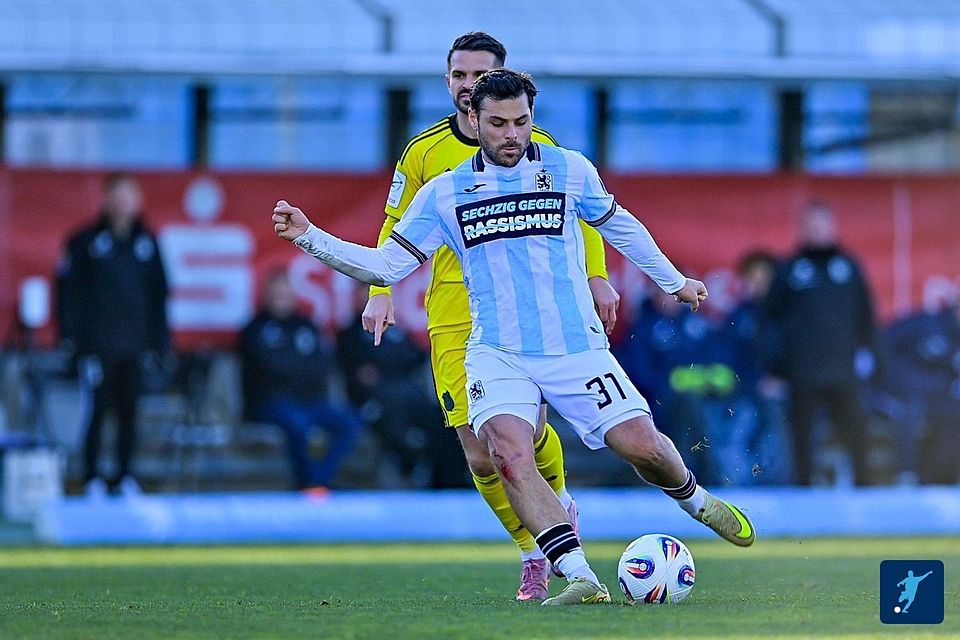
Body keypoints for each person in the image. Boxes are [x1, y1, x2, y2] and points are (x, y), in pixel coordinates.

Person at [273, 69, 755, 606]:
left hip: (575, 347)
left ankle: (696, 501)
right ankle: (579, 576)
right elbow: (385, 266)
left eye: (521, 122)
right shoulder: (445, 193)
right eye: (499, 123)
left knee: (642, 448)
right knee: (505, 453)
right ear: (474, 119)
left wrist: (674, 281)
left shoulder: (568, 169)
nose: (512, 134)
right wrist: (309, 236)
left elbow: (621, 226)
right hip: (498, 352)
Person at [360, 32, 621, 601]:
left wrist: (597, 274)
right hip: (454, 312)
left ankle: (555, 514)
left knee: (528, 435)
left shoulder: (535, 144)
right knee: (479, 453)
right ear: (448, 82)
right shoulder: (423, 152)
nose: (467, 85)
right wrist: (381, 289)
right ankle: (532, 550)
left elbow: (581, 213)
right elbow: (395, 224)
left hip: (522, 312)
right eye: (459, 76)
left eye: (478, 75)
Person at [56, 173, 170, 497]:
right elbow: (68, 295)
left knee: (129, 412)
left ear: (137, 202)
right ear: (106, 200)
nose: (122, 204)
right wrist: (72, 340)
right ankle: (92, 476)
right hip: (97, 346)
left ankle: (125, 475)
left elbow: (159, 296)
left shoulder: (147, 244)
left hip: (134, 346)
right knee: (96, 410)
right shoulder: (86, 242)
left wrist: (159, 344)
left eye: (128, 197)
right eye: (117, 197)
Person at [763, 202, 876, 486]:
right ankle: (804, 492)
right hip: (802, 371)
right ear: (801, 230)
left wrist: (871, 356)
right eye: (810, 226)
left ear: (832, 227)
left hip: (843, 368)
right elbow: (769, 321)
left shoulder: (848, 267)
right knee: (802, 435)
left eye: (821, 225)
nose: (817, 231)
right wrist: (773, 368)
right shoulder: (789, 269)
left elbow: (866, 315)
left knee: (856, 430)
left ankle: (866, 489)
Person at [238, 269, 363, 491]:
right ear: (266, 296)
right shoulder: (254, 328)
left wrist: (291, 365)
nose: (281, 299)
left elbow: (323, 363)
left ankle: (319, 480)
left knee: (350, 422)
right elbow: (267, 368)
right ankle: (308, 483)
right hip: (272, 402)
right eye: (276, 294)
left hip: (310, 401)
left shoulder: (306, 325)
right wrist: (297, 365)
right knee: (299, 425)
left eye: (285, 294)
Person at [337, 288, 465, 488]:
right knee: (398, 433)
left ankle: (451, 481)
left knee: (444, 422)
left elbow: (414, 357)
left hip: (410, 396)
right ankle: (413, 473)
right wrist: (391, 367)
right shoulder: (351, 333)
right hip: (376, 401)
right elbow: (359, 374)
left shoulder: (394, 328)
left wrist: (385, 367)